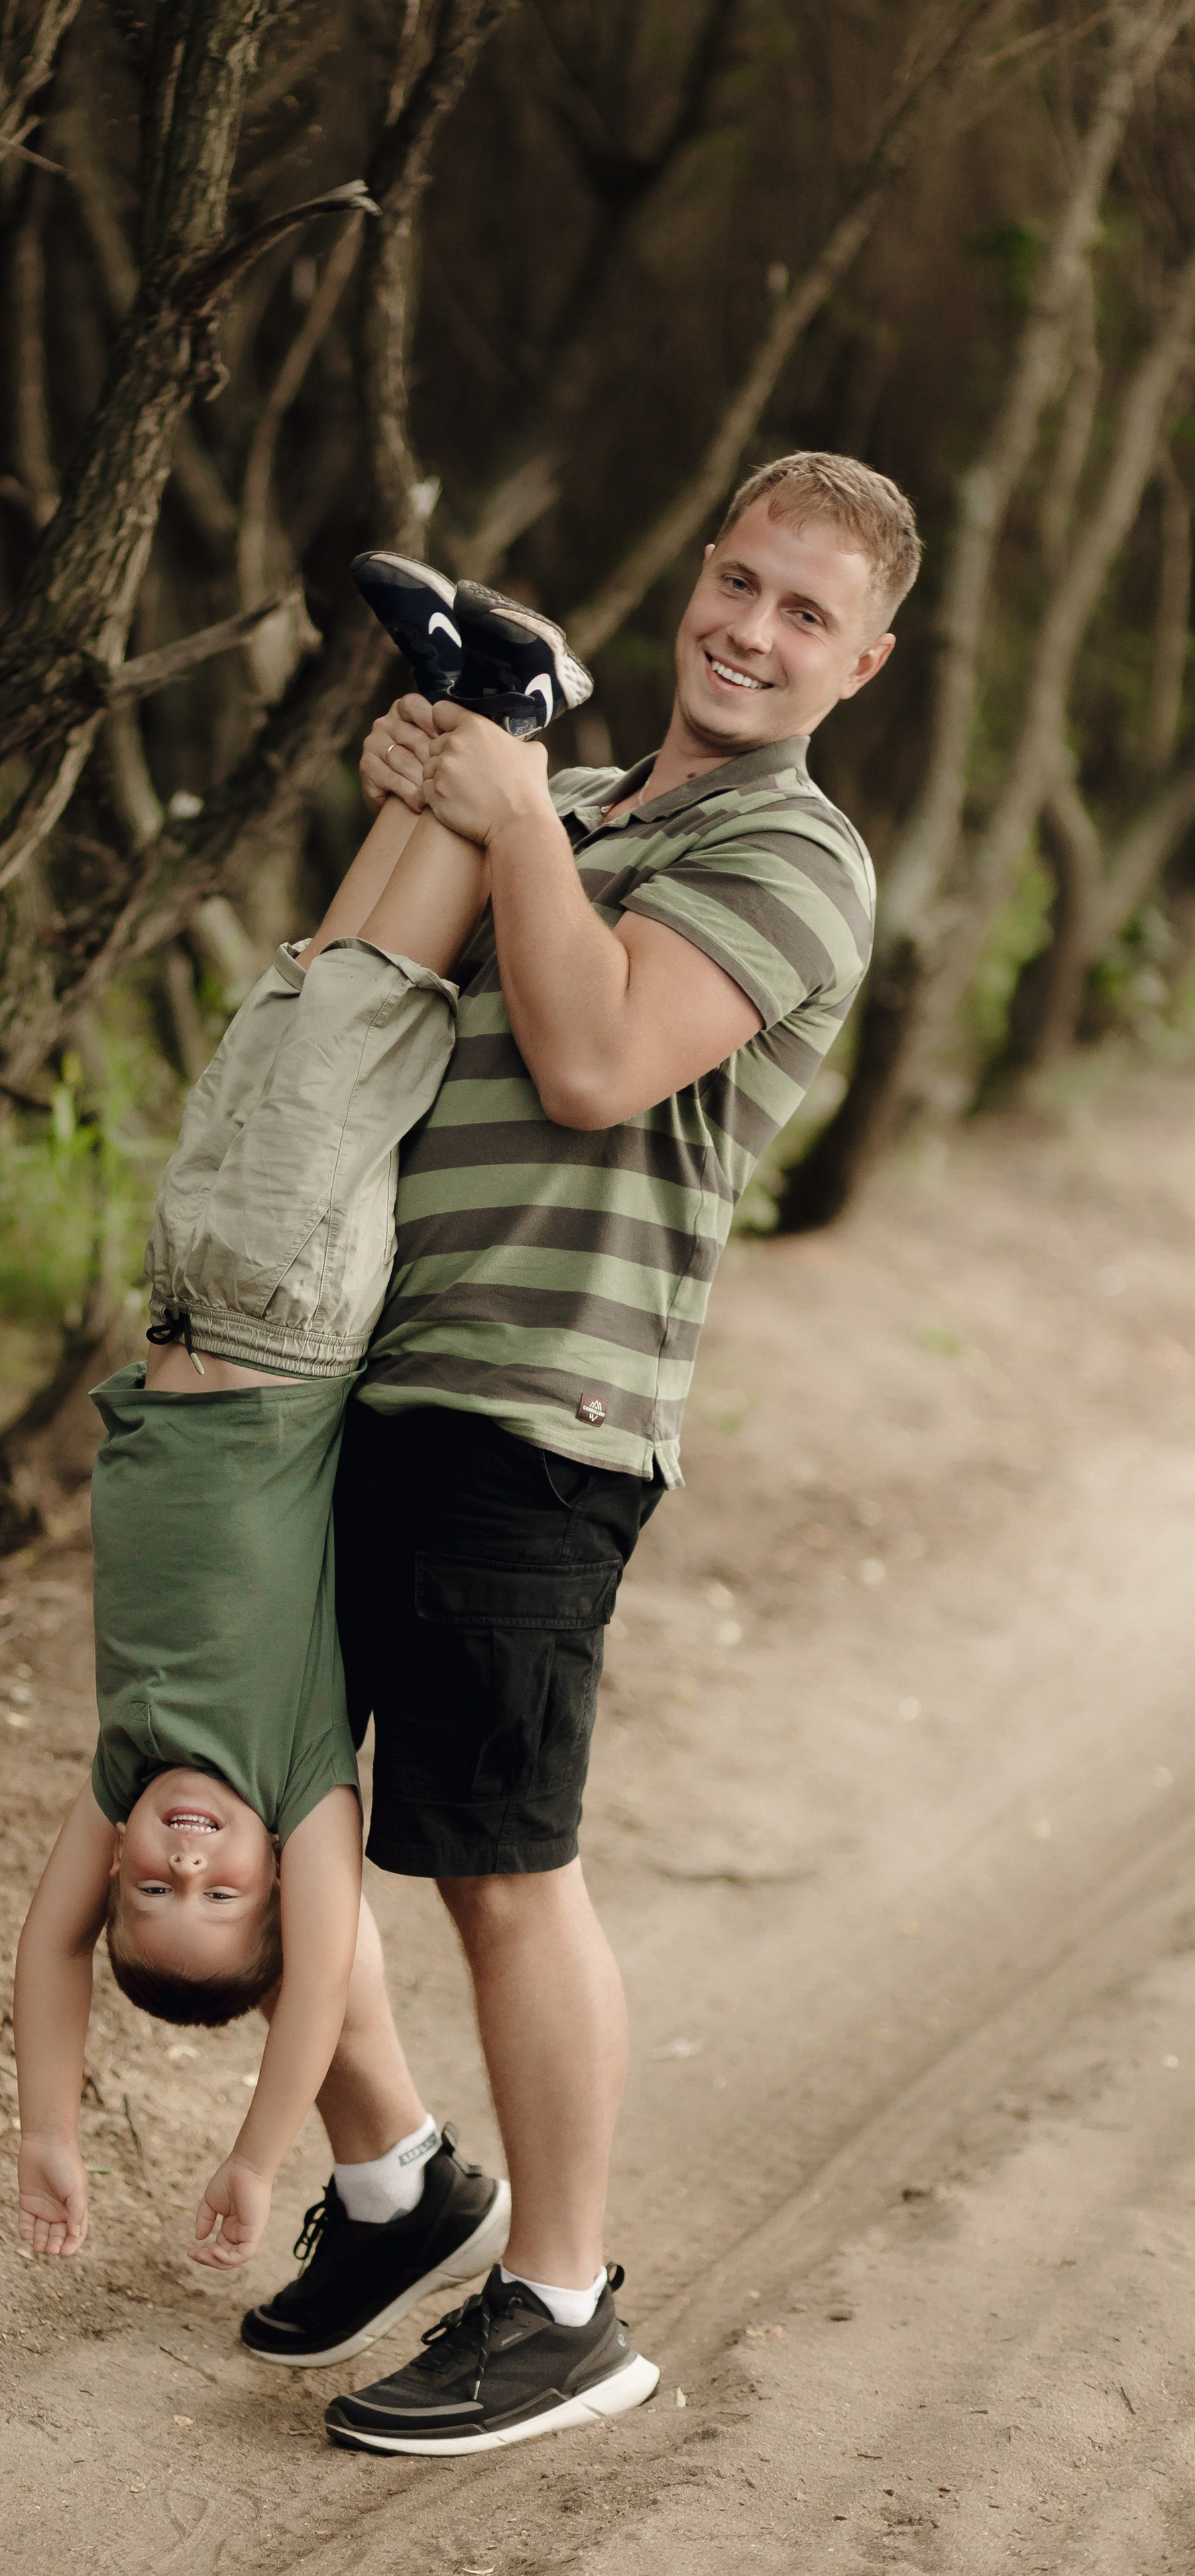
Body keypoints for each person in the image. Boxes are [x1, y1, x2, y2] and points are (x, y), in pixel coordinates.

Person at [236, 451, 920, 2457]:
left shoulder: (801, 861)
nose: (751, 629)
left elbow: (600, 1057)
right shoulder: (598, 809)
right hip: (364, 1368)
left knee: (502, 1872)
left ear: (861, 662)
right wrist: (442, 803)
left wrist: (513, 807)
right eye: (737, 580)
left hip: (540, 1408)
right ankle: (394, 2185)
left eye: (807, 614)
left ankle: (559, 2304)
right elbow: (373, 1010)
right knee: (259, 1799)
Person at [11, 578, 600, 2287]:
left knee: (302, 1009)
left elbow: (44, 1964)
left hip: (188, 1300)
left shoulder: (128, 1773)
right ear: (272, 1879)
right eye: (216, 1898)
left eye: (147, 1893)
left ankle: (463, 706)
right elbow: (325, 1983)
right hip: (279, 1326)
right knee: (349, 1022)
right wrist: (263, 2158)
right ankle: (516, 719)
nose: (180, 1864)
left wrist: (48, 2131)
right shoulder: (296, 1793)